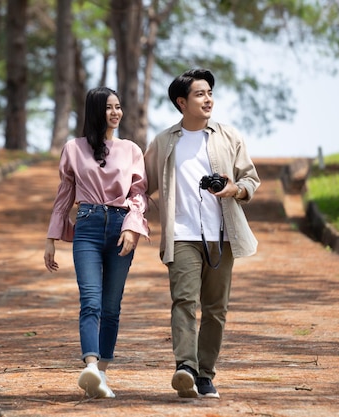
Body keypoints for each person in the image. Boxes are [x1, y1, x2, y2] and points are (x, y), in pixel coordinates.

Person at [144, 69, 260, 399]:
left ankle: (205, 375)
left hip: (221, 236)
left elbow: (251, 180)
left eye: (210, 93)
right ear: (182, 102)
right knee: (183, 300)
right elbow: (141, 184)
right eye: (200, 94)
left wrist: (235, 189)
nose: (208, 99)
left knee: (216, 309)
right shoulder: (165, 141)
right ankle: (185, 367)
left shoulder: (228, 136)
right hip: (181, 235)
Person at [44, 86, 150, 399]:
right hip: (88, 227)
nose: (116, 113)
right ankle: (90, 365)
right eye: (109, 108)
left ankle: (102, 372)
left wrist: (132, 227)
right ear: (95, 112)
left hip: (120, 226)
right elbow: (64, 195)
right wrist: (52, 238)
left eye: (118, 107)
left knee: (111, 306)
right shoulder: (73, 148)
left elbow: (138, 193)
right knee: (90, 300)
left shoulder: (131, 149)